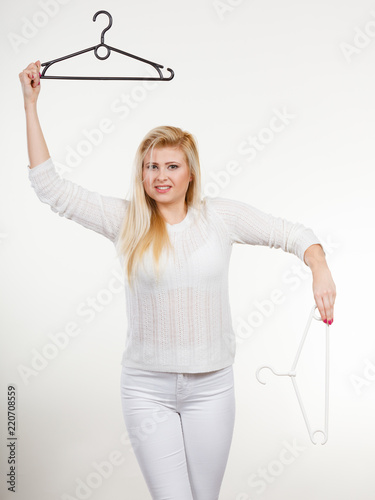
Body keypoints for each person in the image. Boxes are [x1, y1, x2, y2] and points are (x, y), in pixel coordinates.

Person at [19, 60, 336, 500]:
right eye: (151, 167)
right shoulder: (125, 220)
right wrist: (30, 105)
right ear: (142, 174)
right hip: (147, 389)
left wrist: (319, 266)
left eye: (171, 166)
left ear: (190, 173)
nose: (161, 176)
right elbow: (49, 186)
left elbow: (293, 234)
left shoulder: (220, 217)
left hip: (212, 386)